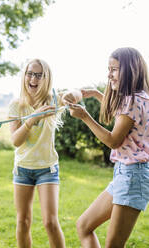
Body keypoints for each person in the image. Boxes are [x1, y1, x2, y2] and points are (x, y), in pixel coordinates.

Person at [66, 47, 149, 247]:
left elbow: (113, 140)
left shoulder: (131, 101)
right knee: (84, 226)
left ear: (129, 70)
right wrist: (95, 93)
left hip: (132, 177)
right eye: (108, 69)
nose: (109, 74)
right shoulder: (141, 97)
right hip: (127, 175)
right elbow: (122, 116)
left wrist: (85, 116)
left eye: (114, 69)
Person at [8, 58, 80, 248]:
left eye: (39, 75)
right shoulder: (16, 105)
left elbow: (77, 94)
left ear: (46, 78)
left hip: (47, 169)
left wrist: (73, 94)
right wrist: (33, 119)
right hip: (22, 169)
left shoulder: (52, 101)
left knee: (50, 222)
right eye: (30, 74)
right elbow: (16, 140)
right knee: (22, 221)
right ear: (25, 76)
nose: (34, 78)